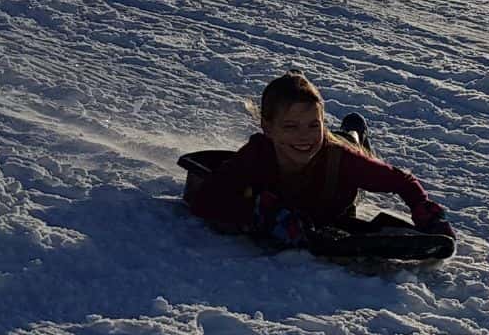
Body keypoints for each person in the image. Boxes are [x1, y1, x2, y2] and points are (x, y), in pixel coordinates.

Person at [189, 71, 454, 249]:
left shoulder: (342, 161)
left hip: (342, 154)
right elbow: (206, 197)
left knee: (353, 143)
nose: (304, 136)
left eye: (313, 125)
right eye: (291, 126)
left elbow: (402, 181)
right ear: (268, 127)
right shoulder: (258, 153)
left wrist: (425, 211)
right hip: (322, 157)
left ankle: (355, 130)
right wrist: (257, 213)